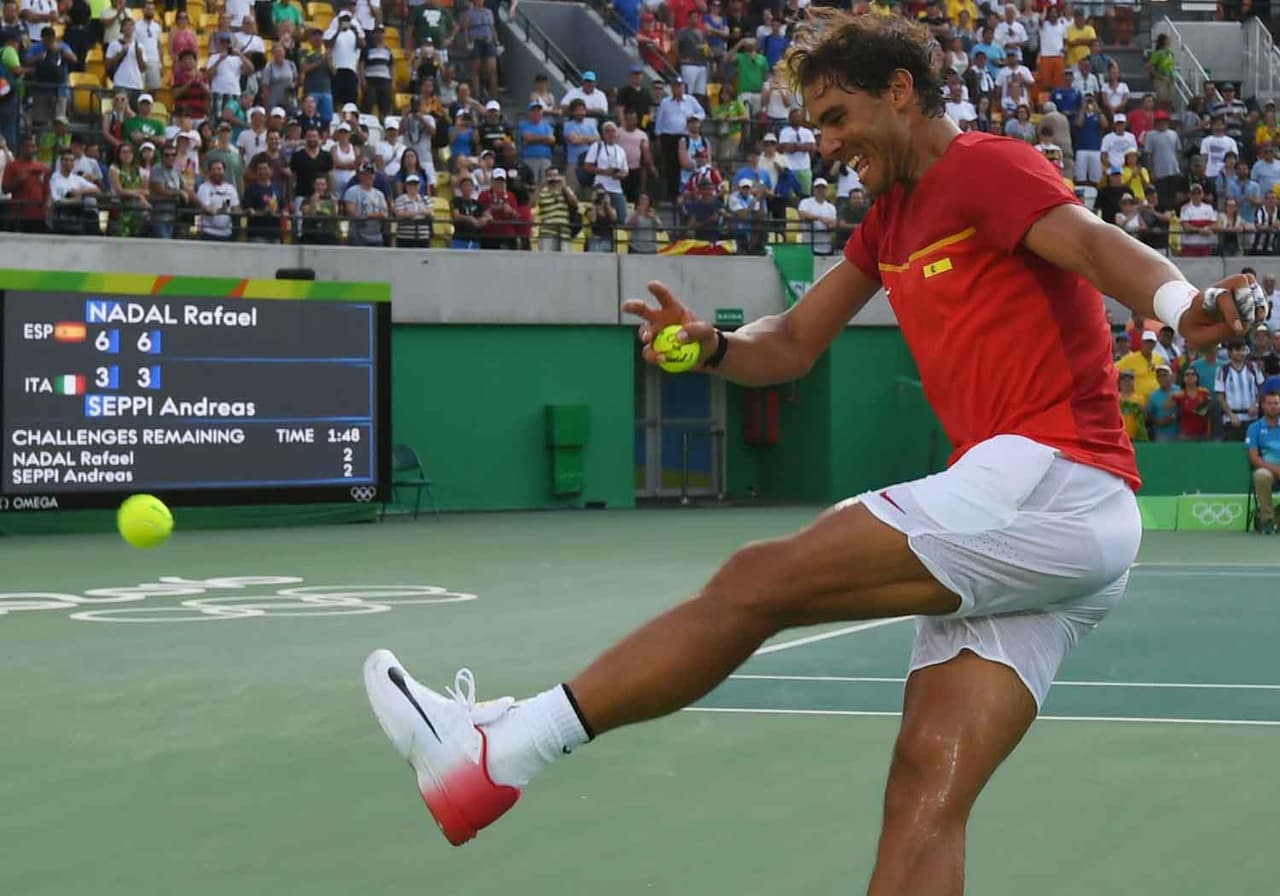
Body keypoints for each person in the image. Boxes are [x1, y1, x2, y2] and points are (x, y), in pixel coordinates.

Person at [361, 13, 1263, 883]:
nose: (825, 145)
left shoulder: (985, 168)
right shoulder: (888, 223)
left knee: (757, 582)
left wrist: (1183, 307)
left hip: (1048, 482)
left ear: (901, 91)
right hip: (1067, 530)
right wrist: (711, 346)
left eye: (838, 118)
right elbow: (791, 344)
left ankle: (500, 751)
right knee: (924, 793)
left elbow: (1096, 245)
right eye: (816, 126)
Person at [1247, 389, 1280, 533]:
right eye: (1270, 403)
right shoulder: (1254, 428)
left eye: (1276, 403)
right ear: (1263, 405)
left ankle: (1278, 514)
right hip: (1268, 471)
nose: (1273, 406)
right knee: (1261, 475)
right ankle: (1267, 519)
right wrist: (1276, 469)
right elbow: (1254, 457)